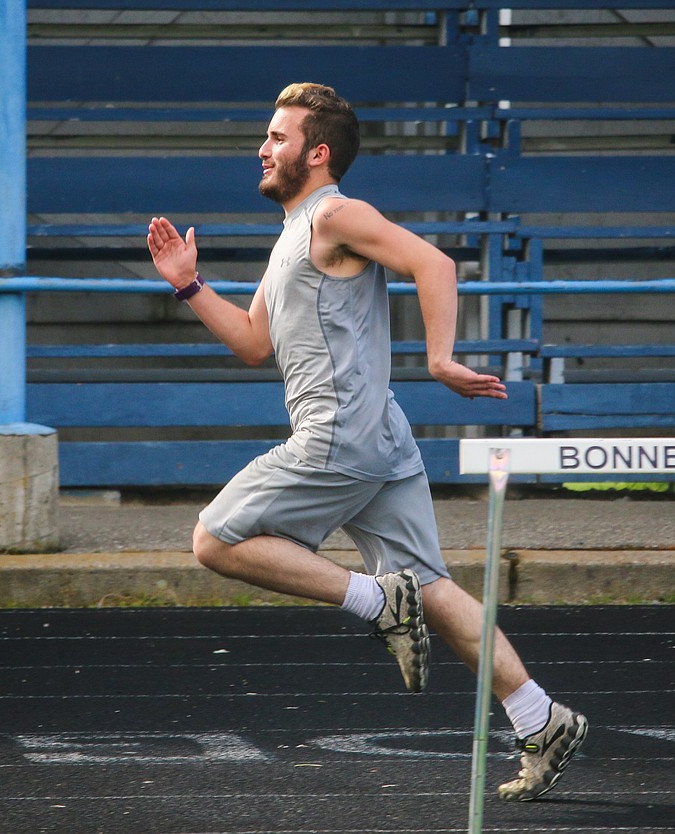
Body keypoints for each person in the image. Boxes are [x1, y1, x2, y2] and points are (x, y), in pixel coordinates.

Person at [147, 82, 586, 801]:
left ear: (317, 154)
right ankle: (542, 721)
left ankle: (376, 602)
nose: (262, 148)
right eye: (267, 136)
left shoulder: (337, 215)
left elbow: (434, 265)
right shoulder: (293, 231)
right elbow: (256, 343)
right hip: (378, 435)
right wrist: (190, 287)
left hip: (339, 435)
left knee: (214, 541)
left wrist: (440, 359)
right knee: (436, 591)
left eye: (278, 138)